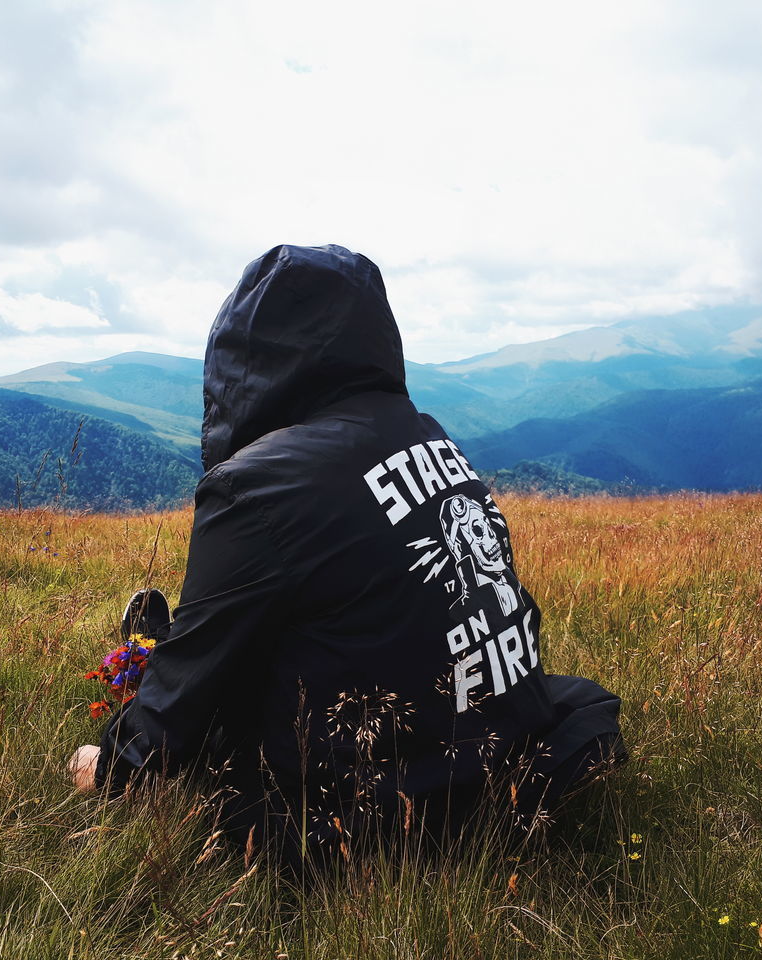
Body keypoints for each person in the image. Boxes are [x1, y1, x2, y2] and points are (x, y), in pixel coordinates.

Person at [69, 243, 623, 853]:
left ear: (246, 352)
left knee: (214, 683)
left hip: (384, 809)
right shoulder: (430, 436)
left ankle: (148, 647)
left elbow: (180, 703)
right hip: (504, 749)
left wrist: (109, 768)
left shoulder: (256, 485)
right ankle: (154, 642)